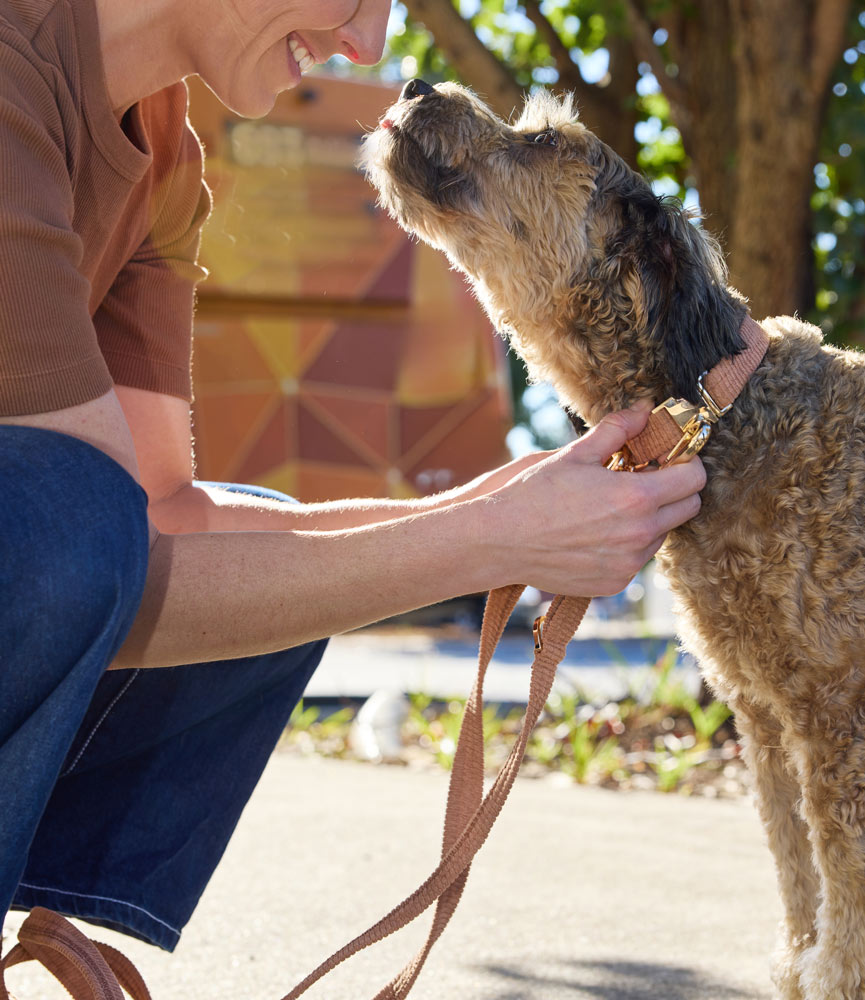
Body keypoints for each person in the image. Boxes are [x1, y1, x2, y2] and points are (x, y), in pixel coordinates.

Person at [0, 0, 706, 953]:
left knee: (276, 543)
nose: (367, 46)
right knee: (83, 521)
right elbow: (89, 553)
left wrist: (494, 508)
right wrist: (494, 540)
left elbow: (161, 516)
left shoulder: (165, 151)